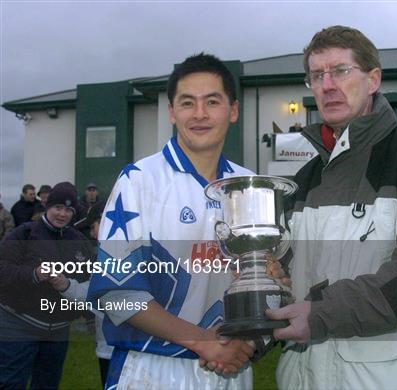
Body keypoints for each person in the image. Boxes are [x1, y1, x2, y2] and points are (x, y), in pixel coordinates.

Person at [265, 26, 397, 390]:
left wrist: (323, 313)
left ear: (373, 79)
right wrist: (270, 285)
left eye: (340, 70)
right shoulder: (304, 179)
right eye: (316, 75)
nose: (326, 85)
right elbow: (289, 272)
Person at [87, 53, 260, 389]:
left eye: (212, 101)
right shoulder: (138, 181)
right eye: (187, 103)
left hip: (231, 370)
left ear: (233, 110)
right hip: (151, 370)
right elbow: (116, 292)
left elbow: (267, 285)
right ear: (171, 111)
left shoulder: (249, 185)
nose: (199, 114)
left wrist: (248, 343)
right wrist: (203, 341)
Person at [0, 182, 92, 389]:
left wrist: (89, 317)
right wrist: (34, 274)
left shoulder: (79, 241)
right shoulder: (24, 233)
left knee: (48, 385)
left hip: (58, 331)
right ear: (47, 206)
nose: (62, 214)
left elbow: (90, 283)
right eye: (57, 207)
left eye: (68, 209)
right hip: (18, 324)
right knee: (10, 384)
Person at [49, 201, 113, 388]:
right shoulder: (102, 258)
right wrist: (66, 285)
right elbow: (94, 292)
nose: (93, 232)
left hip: (136, 347)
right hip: (108, 347)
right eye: (94, 227)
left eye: (96, 225)